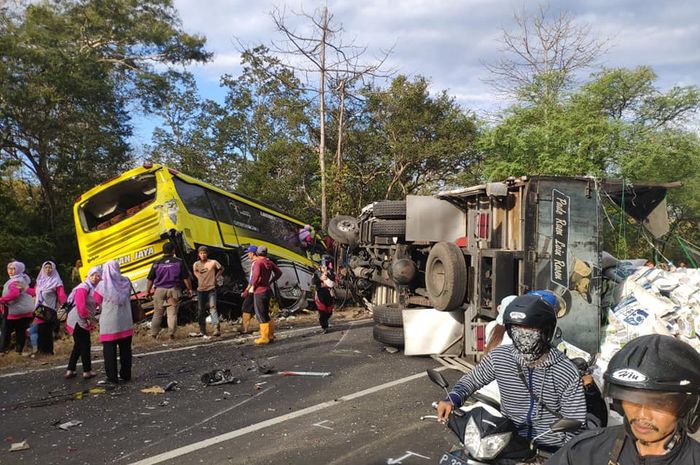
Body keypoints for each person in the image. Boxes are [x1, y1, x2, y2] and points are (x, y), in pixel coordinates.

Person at [437, 294, 587, 451]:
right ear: (509, 330)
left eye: (530, 329)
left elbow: (575, 421)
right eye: (517, 329)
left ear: (546, 330)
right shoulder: (500, 357)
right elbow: (472, 380)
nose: (522, 335)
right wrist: (452, 398)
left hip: (549, 448)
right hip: (507, 441)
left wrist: (565, 455)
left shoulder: (564, 370)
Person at [545, 334, 700, 464]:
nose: (642, 415)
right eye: (633, 400)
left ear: (689, 408)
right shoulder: (585, 452)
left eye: (658, 404)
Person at [95, 260, 134, 384]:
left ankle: (112, 377)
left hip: (109, 321)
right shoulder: (126, 281)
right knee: (126, 350)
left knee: (109, 351)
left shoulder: (102, 285)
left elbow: (97, 300)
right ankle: (126, 374)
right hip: (125, 320)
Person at [145, 243, 192, 340]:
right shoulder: (179, 262)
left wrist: (147, 291)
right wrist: (189, 289)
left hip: (160, 291)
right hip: (174, 290)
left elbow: (150, 279)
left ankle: (154, 334)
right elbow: (185, 278)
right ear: (173, 251)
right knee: (172, 313)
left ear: (163, 251)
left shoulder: (156, 263)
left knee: (157, 314)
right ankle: (171, 334)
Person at [65, 266, 102, 379]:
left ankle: (70, 370)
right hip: (78, 319)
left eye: (98, 275)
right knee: (85, 344)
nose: (95, 278)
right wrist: (86, 319)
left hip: (81, 318)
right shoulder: (83, 287)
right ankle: (87, 371)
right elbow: (80, 305)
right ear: (88, 276)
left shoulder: (93, 288)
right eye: (93, 275)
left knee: (78, 345)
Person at [31, 261, 67, 356]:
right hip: (40, 310)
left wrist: (65, 308)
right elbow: (34, 293)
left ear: (53, 269)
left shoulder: (56, 282)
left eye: (50, 268)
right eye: (46, 267)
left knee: (47, 332)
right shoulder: (40, 282)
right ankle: (40, 351)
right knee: (40, 331)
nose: (48, 269)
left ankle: (48, 352)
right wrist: (24, 289)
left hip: (49, 310)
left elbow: (62, 296)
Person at [1, 261, 35, 354]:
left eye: (13, 269)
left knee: (6, 330)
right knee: (21, 330)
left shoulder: (14, 281)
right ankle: (18, 351)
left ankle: (3, 350)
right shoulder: (23, 278)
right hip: (26, 310)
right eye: (9, 268)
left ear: (19, 269)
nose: (10, 271)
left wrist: (2, 300)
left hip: (15, 310)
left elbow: (14, 294)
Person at [251, 246, 281, 345]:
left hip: (259, 291)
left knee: (260, 314)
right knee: (266, 313)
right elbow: (279, 272)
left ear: (257, 253)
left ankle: (264, 338)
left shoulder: (257, 263)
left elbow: (255, 276)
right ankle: (271, 335)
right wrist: (271, 281)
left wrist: (252, 286)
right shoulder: (269, 262)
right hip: (268, 290)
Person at [192, 246, 224, 337]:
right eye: (201, 253)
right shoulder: (196, 264)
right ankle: (202, 329)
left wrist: (216, 277)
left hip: (211, 288)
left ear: (207, 254)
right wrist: (199, 277)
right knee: (201, 310)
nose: (203, 255)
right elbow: (195, 272)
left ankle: (216, 328)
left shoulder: (213, 262)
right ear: (199, 254)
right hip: (201, 290)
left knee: (213, 308)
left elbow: (221, 268)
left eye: (204, 253)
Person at [313, 255, 336, 333]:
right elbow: (315, 281)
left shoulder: (331, 271)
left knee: (329, 311)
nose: (325, 265)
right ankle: (324, 326)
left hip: (329, 293)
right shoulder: (317, 272)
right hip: (320, 293)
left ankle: (326, 322)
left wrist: (327, 273)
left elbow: (332, 281)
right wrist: (322, 277)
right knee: (322, 310)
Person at [239, 245, 258, 335]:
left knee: (245, 308)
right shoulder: (261, 262)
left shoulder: (255, 263)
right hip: (259, 289)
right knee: (256, 309)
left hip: (253, 289)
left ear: (252, 253)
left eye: (249, 253)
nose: (248, 255)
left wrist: (247, 290)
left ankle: (245, 328)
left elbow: (253, 279)